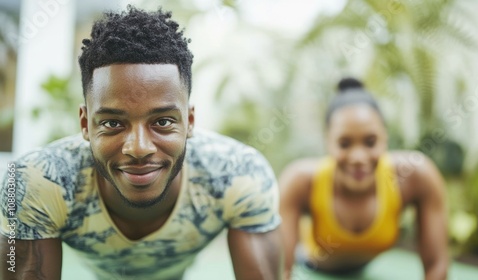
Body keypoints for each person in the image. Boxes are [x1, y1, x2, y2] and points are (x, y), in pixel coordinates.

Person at [0, 6, 282, 280]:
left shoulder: (239, 174)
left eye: (162, 122)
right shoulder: (34, 181)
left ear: (190, 122)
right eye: (112, 123)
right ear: (86, 124)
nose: (138, 148)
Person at [280, 78, 448, 280]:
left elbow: (437, 266)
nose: (358, 158)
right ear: (328, 143)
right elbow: (282, 272)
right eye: (344, 144)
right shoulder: (300, 181)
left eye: (370, 142)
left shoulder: (417, 176)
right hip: (313, 266)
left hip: (364, 267)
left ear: (385, 138)